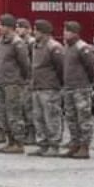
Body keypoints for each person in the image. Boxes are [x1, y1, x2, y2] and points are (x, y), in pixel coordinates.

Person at [27, 20, 64, 157]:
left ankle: (54, 145)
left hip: (49, 87)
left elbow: (60, 67)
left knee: (51, 117)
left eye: (36, 30)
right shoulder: (35, 46)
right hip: (37, 86)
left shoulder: (54, 47)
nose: (34, 32)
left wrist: (56, 82)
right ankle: (43, 144)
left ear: (44, 32)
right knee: (38, 117)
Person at [0, 14, 30, 154]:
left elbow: (24, 64)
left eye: (2, 25)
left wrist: (20, 79)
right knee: (4, 113)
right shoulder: (2, 41)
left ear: (9, 27)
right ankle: (10, 141)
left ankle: (18, 142)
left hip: (13, 83)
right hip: (2, 82)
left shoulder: (17, 43)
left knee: (14, 113)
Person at [61, 21, 94, 159]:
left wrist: (88, 83)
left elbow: (90, 67)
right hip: (69, 87)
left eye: (68, 31)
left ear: (75, 33)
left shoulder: (82, 47)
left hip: (81, 88)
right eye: (65, 30)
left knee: (83, 118)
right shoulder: (67, 47)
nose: (65, 33)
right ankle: (74, 144)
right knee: (71, 118)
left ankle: (84, 147)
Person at [15, 18, 36, 144]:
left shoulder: (31, 43)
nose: (17, 29)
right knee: (21, 107)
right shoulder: (19, 42)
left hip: (29, 79)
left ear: (28, 29)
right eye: (17, 27)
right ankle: (25, 132)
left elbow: (34, 62)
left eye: (20, 27)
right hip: (20, 79)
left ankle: (32, 134)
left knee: (29, 107)